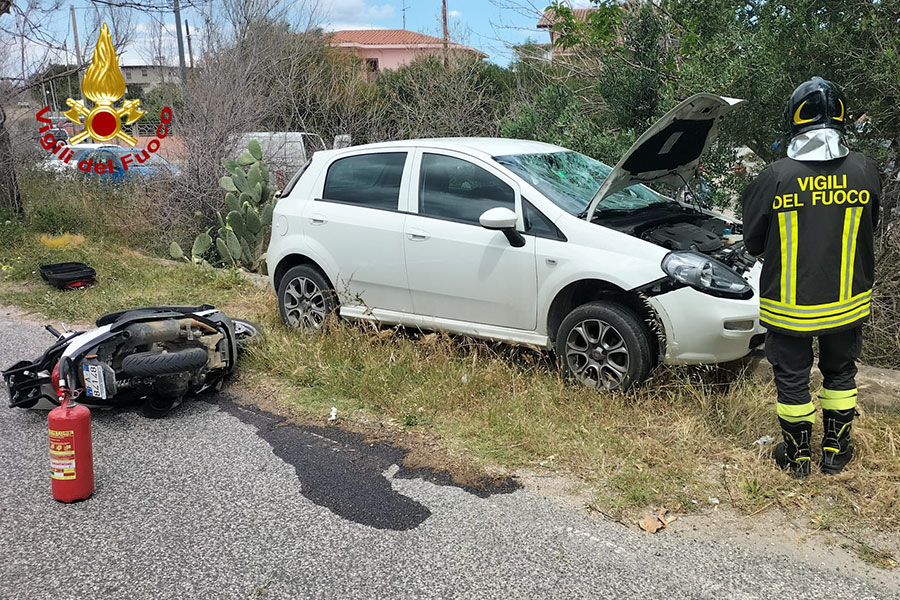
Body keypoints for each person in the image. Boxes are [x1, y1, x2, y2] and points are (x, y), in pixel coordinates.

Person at [741, 77, 881, 477]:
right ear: (841, 116)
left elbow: (752, 243)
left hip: (789, 307)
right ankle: (836, 451)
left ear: (794, 119)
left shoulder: (774, 177)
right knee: (841, 372)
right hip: (848, 302)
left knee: (792, 380)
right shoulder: (865, 170)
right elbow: (870, 223)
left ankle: (798, 456)